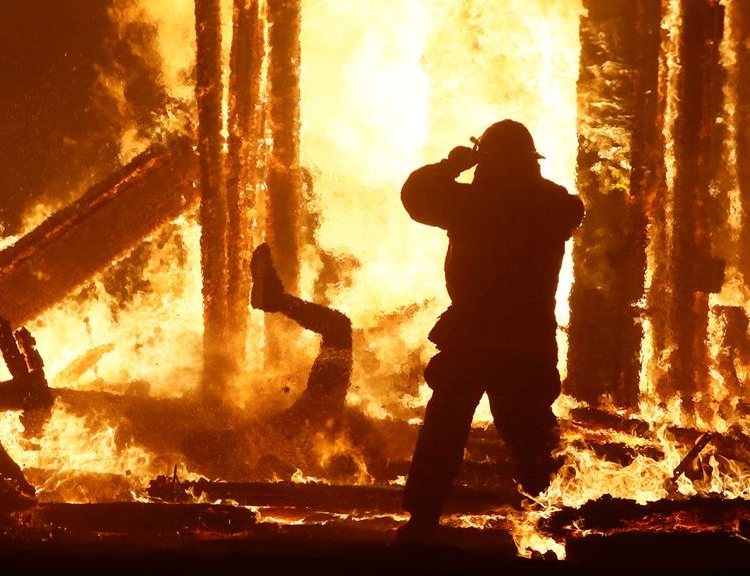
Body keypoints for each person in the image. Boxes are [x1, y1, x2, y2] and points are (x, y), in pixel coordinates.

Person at [398, 120, 584, 540]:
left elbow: (415, 196)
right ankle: (550, 516)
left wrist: (453, 164)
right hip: (528, 340)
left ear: (485, 161)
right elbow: (573, 208)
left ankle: (423, 520)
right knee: (529, 432)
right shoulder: (554, 205)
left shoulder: (468, 203)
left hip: (472, 337)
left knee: (445, 430)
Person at [249, 243, 353, 425]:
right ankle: (275, 299)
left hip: (317, 418)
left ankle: (275, 299)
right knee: (338, 328)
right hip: (320, 418)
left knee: (339, 328)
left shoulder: (286, 433)